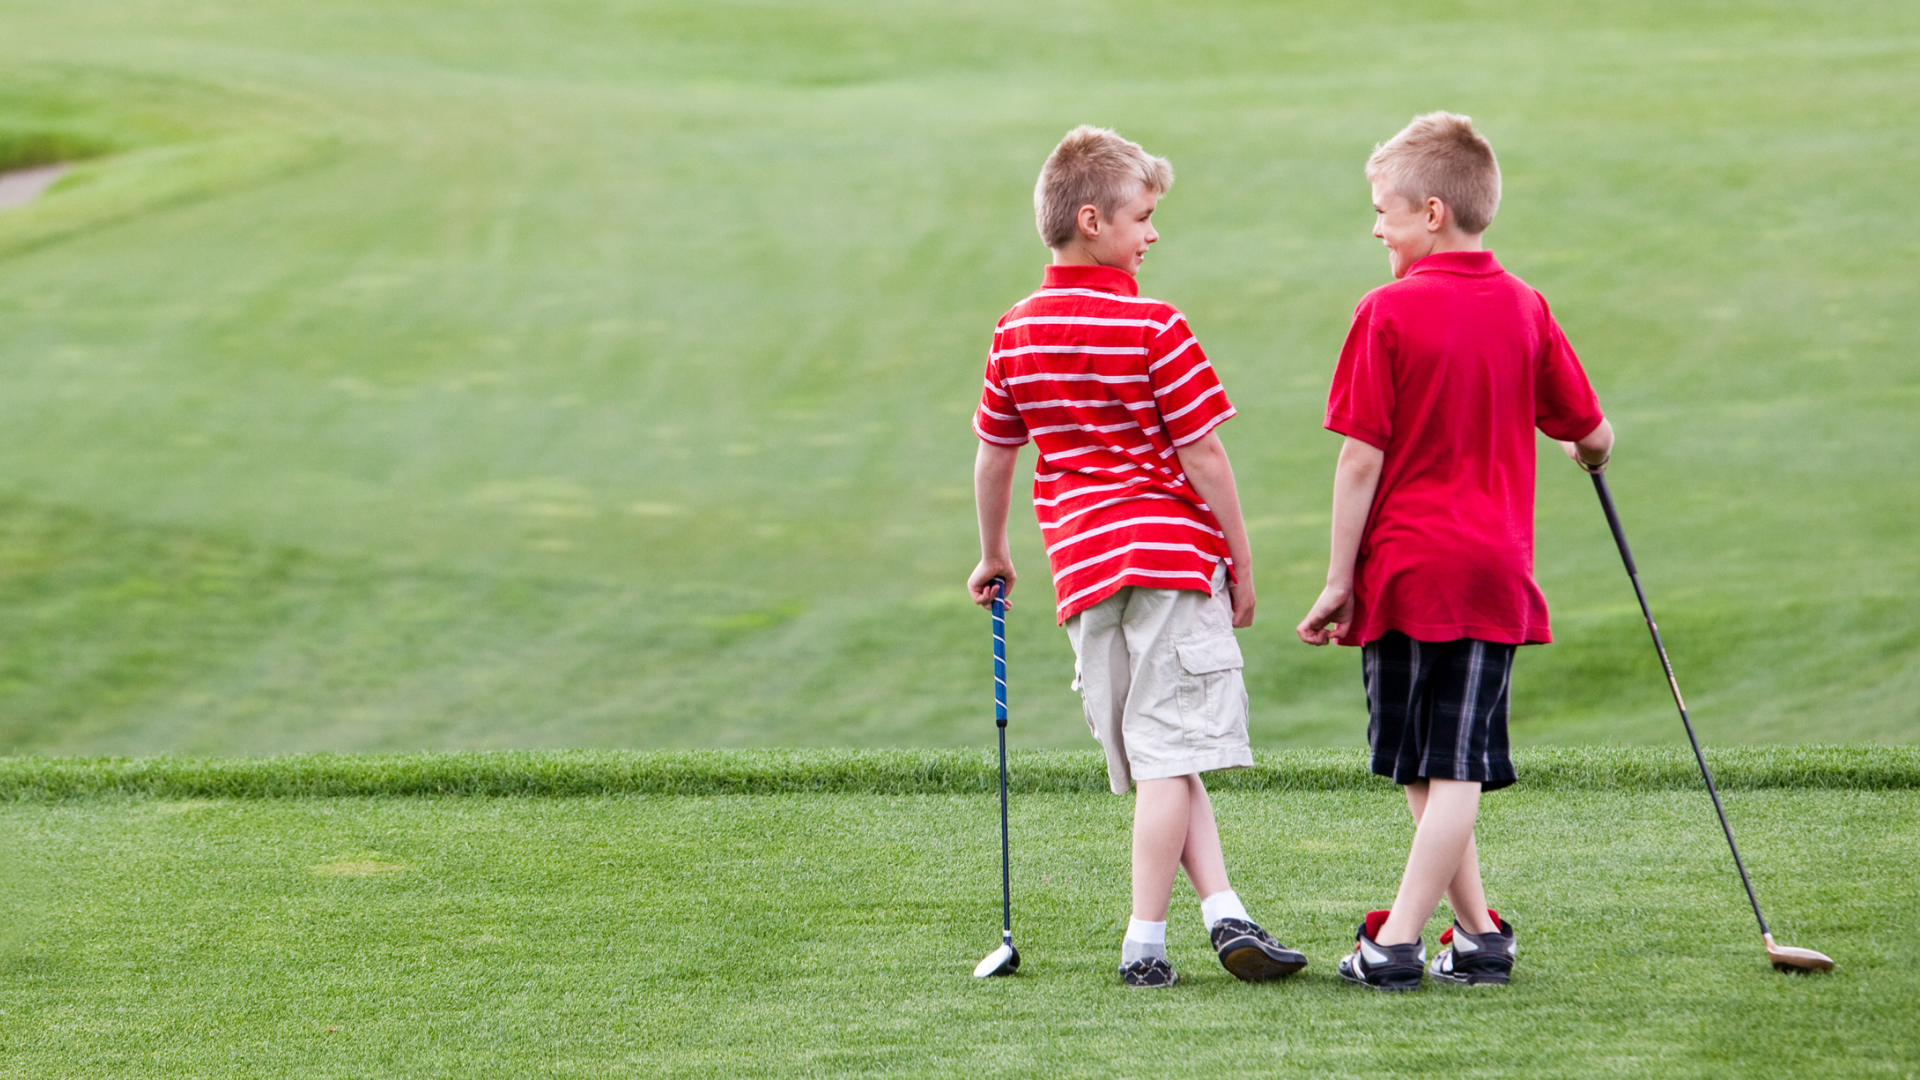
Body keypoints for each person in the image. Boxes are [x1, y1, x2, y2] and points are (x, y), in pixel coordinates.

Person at [968, 125, 1305, 988]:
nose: (1153, 235)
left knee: (1165, 753)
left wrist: (994, 554)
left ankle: (1225, 910)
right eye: (1143, 219)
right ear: (1092, 220)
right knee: (1167, 759)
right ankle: (1144, 944)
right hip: (1169, 558)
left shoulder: (1014, 330)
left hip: (1084, 570)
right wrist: (1242, 563)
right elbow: (1203, 456)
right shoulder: (1155, 324)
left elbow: (996, 454)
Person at [1296, 112, 1615, 990]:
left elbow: (1360, 458)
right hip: (1491, 570)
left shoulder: (1385, 311)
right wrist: (1589, 451)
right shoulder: (1525, 306)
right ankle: (1477, 935)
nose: (1375, 227)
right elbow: (1589, 429)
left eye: (1383, 211)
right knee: (1435, 761)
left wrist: (1335, 580)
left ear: (1432, 212)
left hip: (1402, 569)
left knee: (1442, 764)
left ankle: (1396, 941)